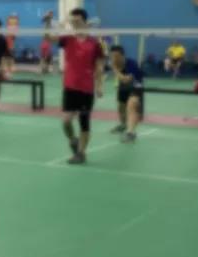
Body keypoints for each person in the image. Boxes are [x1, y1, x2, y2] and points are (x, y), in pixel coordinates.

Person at [46, 9, 105, 165]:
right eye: (73, 21)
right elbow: (48, 38)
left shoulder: (94, 44)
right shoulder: (67, 39)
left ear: (85, 22)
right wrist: (47, 22)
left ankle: (81, 153)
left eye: (77, 21)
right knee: (66, 121)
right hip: (70, 86)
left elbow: (99, 66)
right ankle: (73, 140)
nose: (74, 24)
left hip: (86, 88)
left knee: (84, 122)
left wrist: (100, 86)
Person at [109, 45, 143, 143]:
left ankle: (131, 132)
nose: (114, 58)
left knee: (131, 106)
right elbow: (122, 81)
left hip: (136, 85)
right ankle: (123, 125)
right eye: (112, 56)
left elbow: (126, 79)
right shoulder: (114, 63)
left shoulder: (131, 63)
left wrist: (115, 69)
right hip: (123, 87)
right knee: (121, 106)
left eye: (116, 56)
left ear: (122, 56)